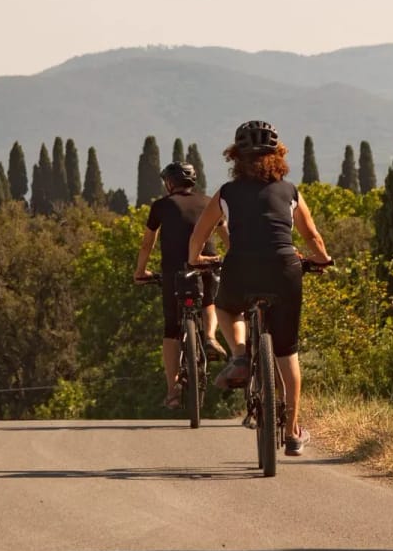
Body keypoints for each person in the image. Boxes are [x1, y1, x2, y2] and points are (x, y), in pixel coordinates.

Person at [187, 120, 331, 457]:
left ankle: (239, 354)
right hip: (285, 268)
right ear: (278, 156)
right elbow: (311, 236)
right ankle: (294, 432)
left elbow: (199, 235)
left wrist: (196, 259)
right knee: (287, 351)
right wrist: (322, 259)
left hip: (241, 267)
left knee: (225, 307)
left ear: (236, 158)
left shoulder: (226, 193)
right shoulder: (290, 191)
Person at [133, 161, 226, 408]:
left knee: (171, 329)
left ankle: (173, 388)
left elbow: (147, 244)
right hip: (207, 264)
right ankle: (209, 336)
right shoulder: (209, 202)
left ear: (169, 183)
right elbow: (226, 234)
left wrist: (141, 271)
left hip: (175, 271)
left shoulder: (161, 206)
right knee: (209, 300)